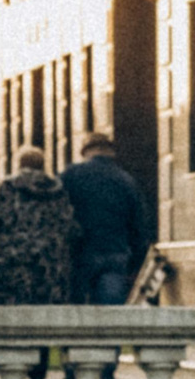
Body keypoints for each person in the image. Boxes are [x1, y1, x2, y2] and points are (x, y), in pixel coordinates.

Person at [0, 146, 78, 308]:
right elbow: (70, 226)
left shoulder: (8, 187)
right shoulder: (58, 191)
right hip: (50, 263)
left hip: (12, 261)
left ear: (20, 165)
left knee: (6, 312)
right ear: (43, 165)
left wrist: (8, 238)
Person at [59, 131, 153, 307]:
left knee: (76, 313)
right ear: (111, 152)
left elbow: (56, 213)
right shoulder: (126, 181)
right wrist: (136, 264)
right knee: (110, 315)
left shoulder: (70, 176)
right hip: (115, 255)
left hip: (79, 255)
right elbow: (138, 227)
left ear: (86, 152)